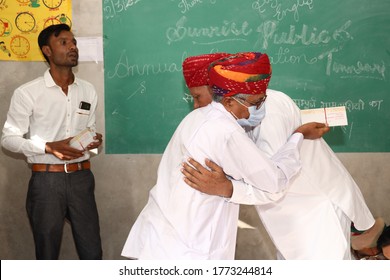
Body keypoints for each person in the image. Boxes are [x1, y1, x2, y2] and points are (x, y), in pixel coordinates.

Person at [121, 52, 329, 260]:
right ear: (230, 102)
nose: (260, 108)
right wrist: (298, 136)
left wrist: (228, 188)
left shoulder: (197, 118)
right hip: (190, 249)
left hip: (163, 238)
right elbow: (274, 181)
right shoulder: (226, 132)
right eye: (256, 102)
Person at [181, 52, 379, 259]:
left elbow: (273, 179)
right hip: (295, 216)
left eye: (197, 97)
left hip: (317, 211)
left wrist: (227, 188)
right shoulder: (232, 115)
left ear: (218, 92)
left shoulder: (264, 109)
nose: (196, 105)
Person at [1, 24, 103, 260]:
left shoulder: (88, 90)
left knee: (93, 253)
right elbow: (8, 139)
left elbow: (92, 132)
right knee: (47, 256)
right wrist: (48, 146)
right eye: (64, 42)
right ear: (47, 50)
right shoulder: (28, 92)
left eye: (74, 42)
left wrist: (94, 140)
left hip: (82, 179)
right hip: (46, 182)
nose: (73, 47)